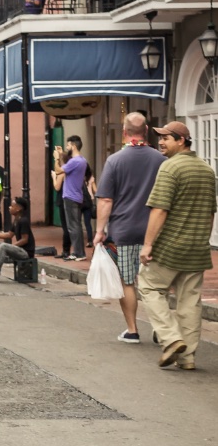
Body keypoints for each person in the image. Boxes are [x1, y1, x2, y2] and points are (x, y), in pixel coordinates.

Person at [138, 121, 216, 369]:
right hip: (197, 247)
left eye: (166, 138)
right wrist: (203, 239)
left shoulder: (170, 167)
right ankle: (187, 357)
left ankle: (171, 339)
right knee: (190, 302)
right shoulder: (206, 170)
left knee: (149, 286)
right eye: (160, 138)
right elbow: (210, 212)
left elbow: (159, 209)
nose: (160, 142)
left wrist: (147, 245)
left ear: (181, 140)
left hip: (170, 246)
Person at [92, 113, 165, 344]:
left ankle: (132, 330)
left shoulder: (115, 161)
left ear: (124, 132)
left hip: (124, 231)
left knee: (128, 281)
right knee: (156, 283)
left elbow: (105, 200)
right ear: (146, 130)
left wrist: (99, 231)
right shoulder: (161, 160)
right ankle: (162, 328)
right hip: (156, 231)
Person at [0, 197, 36, 282]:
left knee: (4, 246)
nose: (9, 207)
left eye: (12, 206)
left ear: (18, 208)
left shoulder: (23, 221)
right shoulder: (16, 220)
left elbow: (25, 240)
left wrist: (12, 246)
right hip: (19, 250)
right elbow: (9, 235)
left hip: (26, 253)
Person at [52, 135, 88, 260]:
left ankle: (78, 253)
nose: (67, 147)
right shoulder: (81, 160)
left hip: (70, 196)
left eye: (68, 145)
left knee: (73, 227)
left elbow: (58, 170)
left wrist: (57, 159)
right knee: (76, 225)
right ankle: (79, 252)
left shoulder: (75, 161)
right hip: (76, 195)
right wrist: (62, 154)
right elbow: (67, 165)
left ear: (73, 146)